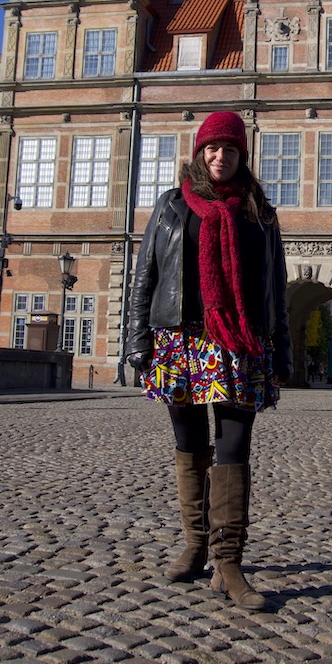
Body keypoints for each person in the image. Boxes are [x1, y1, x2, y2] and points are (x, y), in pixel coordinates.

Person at [126, 111, 291, 611]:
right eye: (214, 148)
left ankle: (229, 562)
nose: (222, 157)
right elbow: (145, 275)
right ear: (200, 152)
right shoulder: (172, 206)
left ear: (243, 156)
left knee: (234, 446)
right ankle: (196, 545)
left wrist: (282, 347)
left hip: (238, 342)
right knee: (189, 443)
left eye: (231, 150)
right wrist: (137, 339)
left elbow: (276, 285)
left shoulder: (259, 211)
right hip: (180, 340)